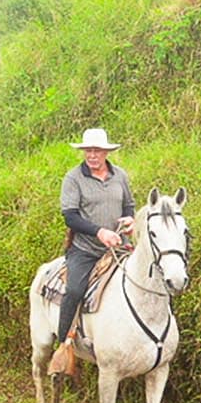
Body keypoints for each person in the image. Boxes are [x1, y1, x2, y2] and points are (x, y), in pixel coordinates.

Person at [54, 127, 135, 349]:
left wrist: (130, 221)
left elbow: (128, 205)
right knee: (74, 291)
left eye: (97, 151)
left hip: (120, 248)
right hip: (86, 250)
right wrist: (99, 232)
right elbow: (70, 216)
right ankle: (64, 346)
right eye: (88, 150)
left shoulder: (120, 175)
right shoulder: (73, 178)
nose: (92, 155)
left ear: (106, 152)